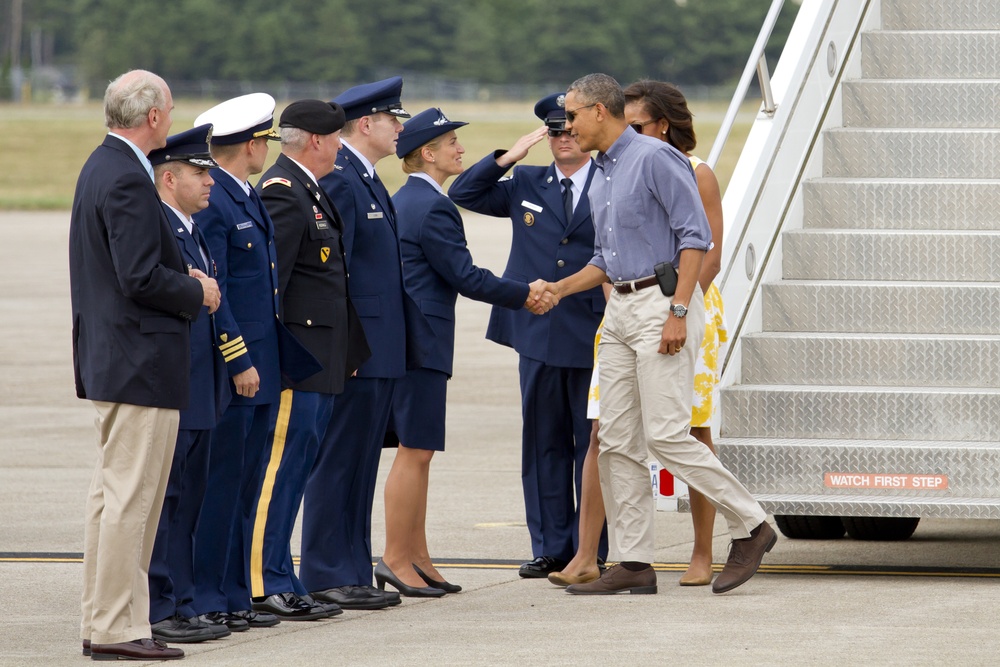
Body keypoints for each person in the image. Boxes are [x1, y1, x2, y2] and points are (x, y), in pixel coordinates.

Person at [551, 73, 775, 596]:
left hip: (662, 302)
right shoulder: (601, 170)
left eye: (573, 114)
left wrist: (678, 311)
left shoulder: (655, 158)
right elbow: (605, 259)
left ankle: (752, 525)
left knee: (668, 435)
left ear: (600, 112)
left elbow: (696, 238)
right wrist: (559, 289)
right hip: (621, 308)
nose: (567, 126)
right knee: (616, 441)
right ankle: (633, 562)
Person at [70, 69, 220, 662]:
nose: (174, 119)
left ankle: (104, 617)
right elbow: (138, 276)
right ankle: (117, 627)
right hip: (140, 360)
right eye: (173, 110)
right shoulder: (130, 178)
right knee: (133, 502)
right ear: (154, 116)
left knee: (111, 501)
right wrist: (196, 291)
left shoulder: (100, 165)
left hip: (116, 358)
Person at [378, 108, 551, 597]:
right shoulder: (430, 207)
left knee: (422, 450)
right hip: (422, 341)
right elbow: (465, 275)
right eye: (451, 142)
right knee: (414, 451)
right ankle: (395, 557)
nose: (459, 149)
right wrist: (526, 293)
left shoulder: (408, 199)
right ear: (427, 153)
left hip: (415, 339)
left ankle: (417, 555)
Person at [450, 93, 607, 579]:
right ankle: (550, 546)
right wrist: (507, 157)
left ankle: (592, 549)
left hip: (592, 328)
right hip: (537, 330)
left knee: (593, 443)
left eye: (569, 129)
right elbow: (466, 193)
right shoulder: (527, 181)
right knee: (543, 443)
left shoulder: (611, 181)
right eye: (554, 132)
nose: (562, 139)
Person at [191, 93, 321, 630]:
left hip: (264, 367)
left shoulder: (242, 194)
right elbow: (217, 295)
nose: (265, 148)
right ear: (248, 145)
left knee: (246, 485)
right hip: (238, 370)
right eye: (263, 140)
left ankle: (236, 593)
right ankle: (210, 596)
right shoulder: (217, 202)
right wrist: (238, 359)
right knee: (222, 487)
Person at [301, 77, 427, 611]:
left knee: (360, 465)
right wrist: (346, 348)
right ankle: (328, 572)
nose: (402, 128)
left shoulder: (366, 177)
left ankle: (351, 567)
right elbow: (337, 274)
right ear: (366, 124)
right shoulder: (345, 181)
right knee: (338, 462)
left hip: (380, 348)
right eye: (394, 119)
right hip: (360, 349)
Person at [248, 99, 370, 620]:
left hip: (321, 357)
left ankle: (281, 573)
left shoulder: (308, 188)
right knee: (279, 470)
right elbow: (269, 286)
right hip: (298, 358)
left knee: (297, 469)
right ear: (317, 141)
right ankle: (263, 580)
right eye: (337, 138)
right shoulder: (283, 192)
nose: (341, 146)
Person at [623, 79, 727, 586]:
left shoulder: (696, 171)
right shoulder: (622, 165)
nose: (629, 134)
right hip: (631, 310)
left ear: (662, 124)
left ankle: (704, 551)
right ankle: (612, 554)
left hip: (687, 307)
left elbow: (710, 252)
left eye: (637, 125)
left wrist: (678, 309)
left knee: (693, 429)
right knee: (611, 431)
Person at [147, 125, 234, 644]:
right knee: (168, 497)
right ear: (168, 176)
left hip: (203, 385)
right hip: (178, 385)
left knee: (188, 500)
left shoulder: (190, 228)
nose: (209, 182)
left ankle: (180, 601)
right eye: (200, 174)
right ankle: (162, 605)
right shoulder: (161, 227)